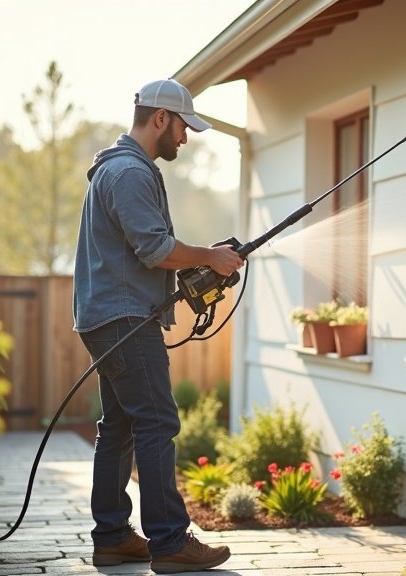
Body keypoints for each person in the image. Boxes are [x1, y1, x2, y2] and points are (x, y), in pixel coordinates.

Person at [72, 78, 243, 574]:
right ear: (161, 119)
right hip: (123, 318)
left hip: (106, 315)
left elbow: (148, 249)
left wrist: (202, 261)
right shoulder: (128, 173)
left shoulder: (122, 168)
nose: (186, 139)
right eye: (184, 127)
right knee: (157, 422)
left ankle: (113, 537)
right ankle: (169, 542)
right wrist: (209, 255)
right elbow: (155, 249)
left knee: (119, 426)